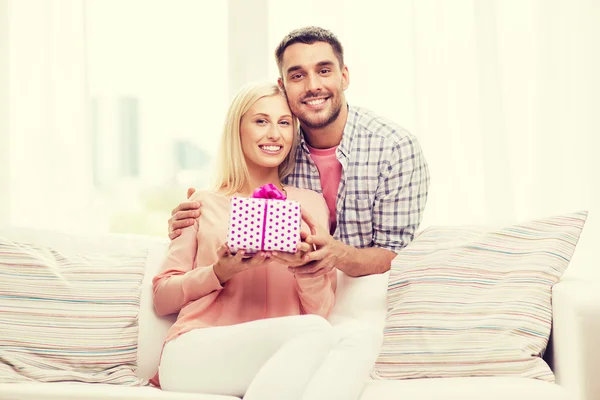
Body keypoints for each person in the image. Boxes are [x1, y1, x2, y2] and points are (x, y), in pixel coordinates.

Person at [152, 82, 379, 400]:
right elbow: (163, 298)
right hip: (196, 351)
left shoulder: (310, 204)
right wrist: (219, 272)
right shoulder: (202, 202)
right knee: (315, 332)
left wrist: (305, 269)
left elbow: (321, 309)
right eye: (261, 121)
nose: (275, 134)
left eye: (284, 123)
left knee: (360, 339)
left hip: (284, 356)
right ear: (238, 129)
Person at [167, 26, 431, 279]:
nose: (312, 85)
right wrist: (192, 225)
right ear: (283, 86)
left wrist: (338, 255)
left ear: (344, 76)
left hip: (366, 294)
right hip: (295, 295)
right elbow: (238, 201)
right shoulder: (275, 148)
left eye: (324, 70)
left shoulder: (396, 148)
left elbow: (397, 254)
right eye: (297, 75)